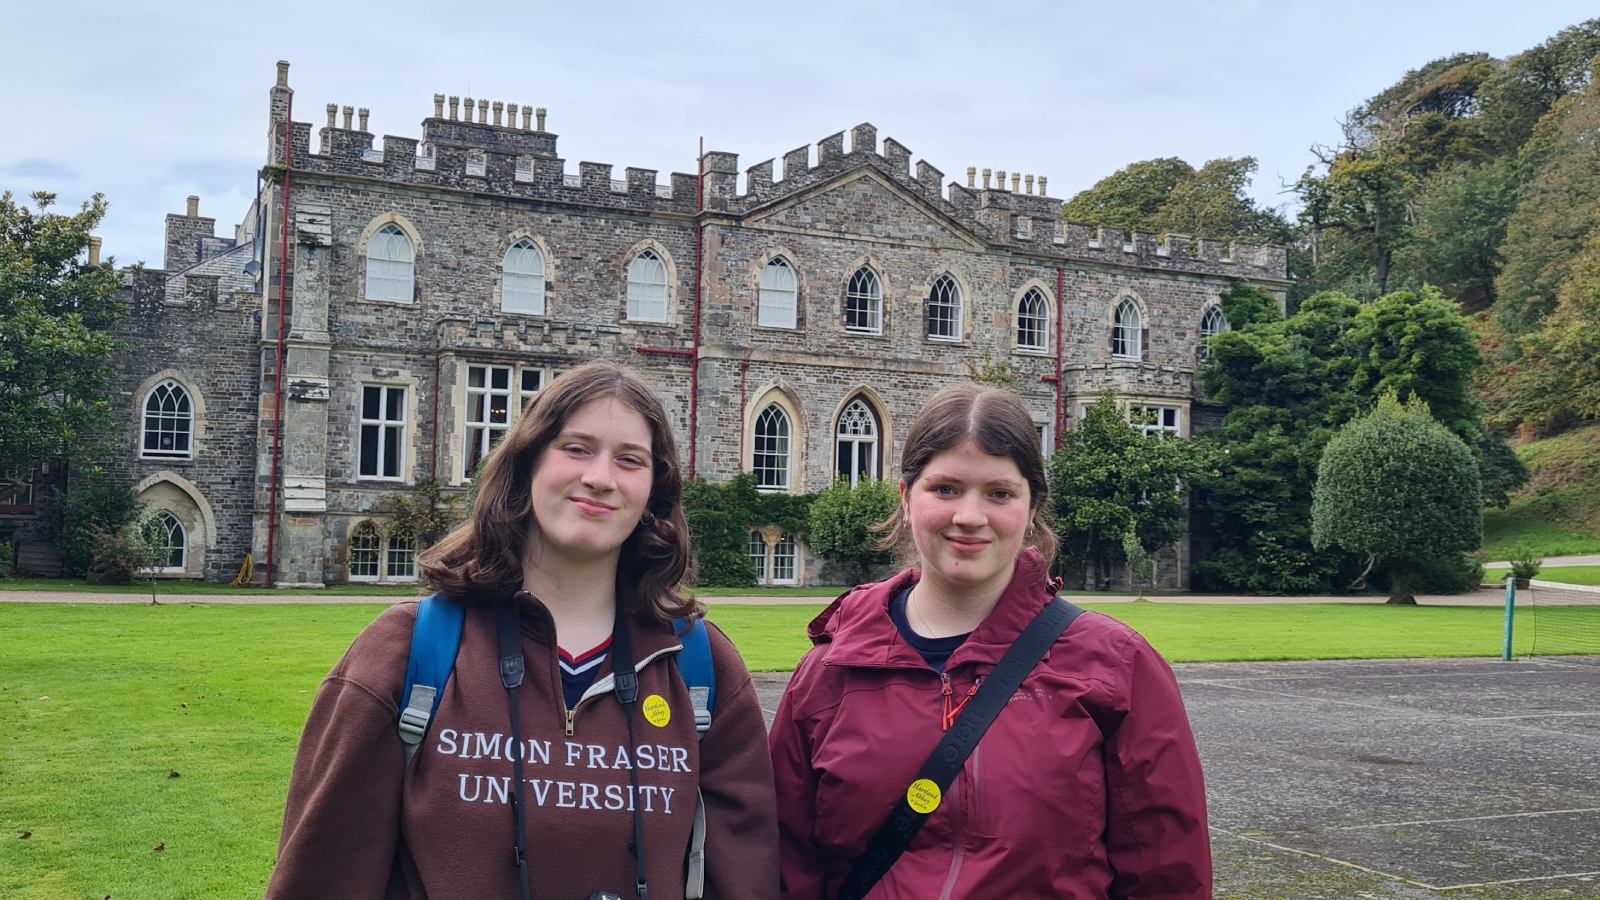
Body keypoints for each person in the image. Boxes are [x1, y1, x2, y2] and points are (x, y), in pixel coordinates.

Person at [269, 360, 778, 900]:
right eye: (576, 448)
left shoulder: (698, 663)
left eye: (630, 460)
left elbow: (744, 875)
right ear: (527, 463)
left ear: (654, 490)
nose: (600, 478)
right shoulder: (408, 652)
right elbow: (324, 876)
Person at [768, 383, 1211, 899]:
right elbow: (788, 862)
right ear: (907, 498)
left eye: (999, 493)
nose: (970, 517)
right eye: (946, 489)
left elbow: (1166, 873)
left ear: (1032, 508)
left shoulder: (1114, 664)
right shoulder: (830, 670)